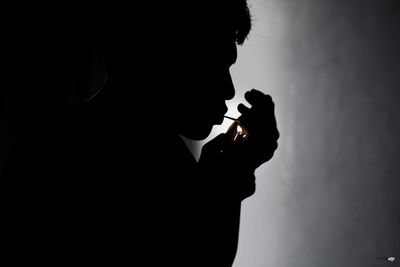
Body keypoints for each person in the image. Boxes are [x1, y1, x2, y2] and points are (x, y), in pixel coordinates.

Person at [1, 1, 279, 265]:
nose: (229, 89)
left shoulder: (48, 143)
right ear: (171, 57)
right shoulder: (155, 170)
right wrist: (225, 186)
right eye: (217, 65)